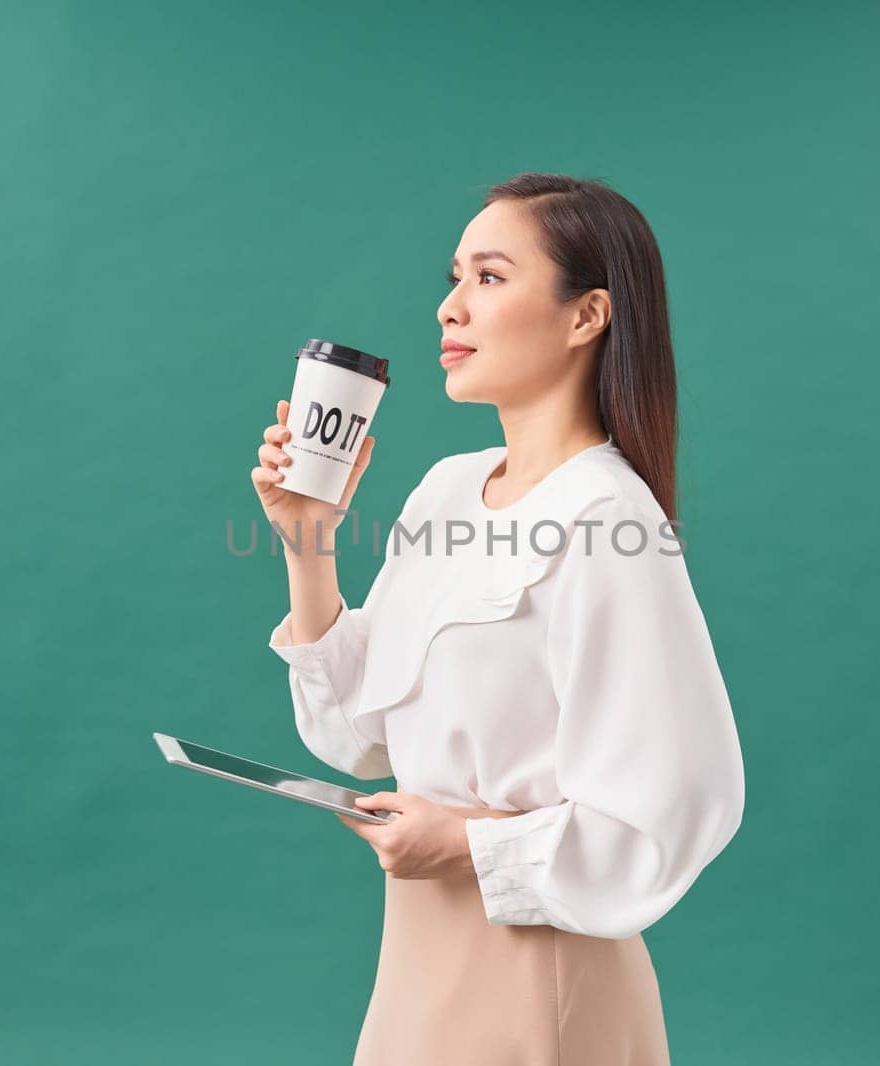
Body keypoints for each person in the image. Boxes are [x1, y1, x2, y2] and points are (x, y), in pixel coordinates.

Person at [249, 172, 745, 1065]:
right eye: (454, 277)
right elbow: (357, 735)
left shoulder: (607, 519)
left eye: (488, 277)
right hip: (417, 962)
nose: (449, 308)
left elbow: (669, 813)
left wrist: (470, 842)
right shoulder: (446, 490)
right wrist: (306, 543)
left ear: (587, 315)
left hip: (538, 977)